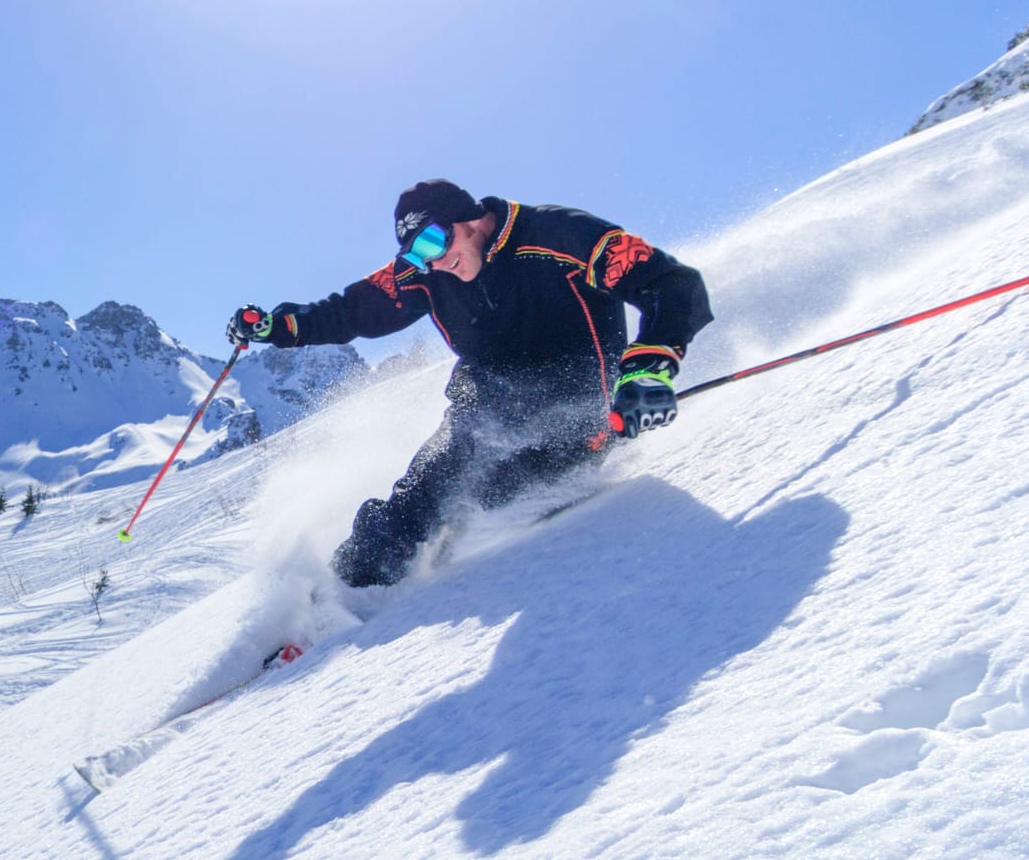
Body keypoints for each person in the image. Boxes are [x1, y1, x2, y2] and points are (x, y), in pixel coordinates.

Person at [227, 179, 713, 587]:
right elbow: (352, 310)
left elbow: (672, 284)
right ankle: (350, 589)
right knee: (432, 482)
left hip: (581, 412)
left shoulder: (557, 235)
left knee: (495, 489)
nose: (433, 261)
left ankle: (449, 531)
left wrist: (648, 368)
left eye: (435, 243)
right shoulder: (425, 271)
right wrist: (278, 326)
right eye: (416, 255)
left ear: (471, 218)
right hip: (486, 409)